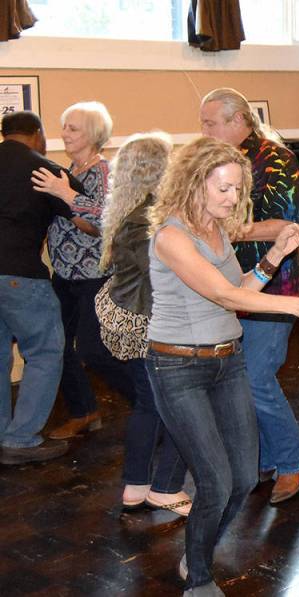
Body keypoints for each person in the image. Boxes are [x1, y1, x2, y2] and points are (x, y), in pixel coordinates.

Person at [145, 136, 299, 595]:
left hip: (227, 361)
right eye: (224, 189)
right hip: (178, 368)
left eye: (238, 189)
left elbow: (240, 289)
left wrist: (276, 254)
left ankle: (197, 551)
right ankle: (198, 578)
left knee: (244, 477)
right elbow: (222, 294)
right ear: (195, 183)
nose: (234, 199)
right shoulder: (172, 236)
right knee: (215, 480)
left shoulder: (217, 229)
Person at [199, 87, 299, 504]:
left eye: (210, 123)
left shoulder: (276, 159)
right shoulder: (216, 162)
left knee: (255, 378)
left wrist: (223, 229)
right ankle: (261, 458)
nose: (204, 131)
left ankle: (291, 460)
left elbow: (289, 225)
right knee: (239, 382)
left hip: (273, 289)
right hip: (231, 288)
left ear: (238, 120)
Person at [95, 132, 191, 515]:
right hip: (148, 323)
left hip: (132, 316)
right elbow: (166, 273)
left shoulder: (131, 212)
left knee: (149, 403)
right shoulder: (147, 221)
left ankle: (138, 486)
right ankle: (159, 487)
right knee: (165, 406)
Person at [32, 101, 139, 441]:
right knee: (56, 345)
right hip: (65, 276)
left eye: (73, 128)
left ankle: (150, 405)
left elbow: (105, 223)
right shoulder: (68, 171)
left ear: (93, 134)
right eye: (64, 127)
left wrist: (65, 195)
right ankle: (84, 411)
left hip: (96, 276)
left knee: (94, 350)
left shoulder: (103, 171)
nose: (64, 134)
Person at [0, 111, 93, 465]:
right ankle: (21, 440)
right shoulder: (44, 169)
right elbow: (89, 223)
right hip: (21, 276)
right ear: (37, 134)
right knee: (44, 352)